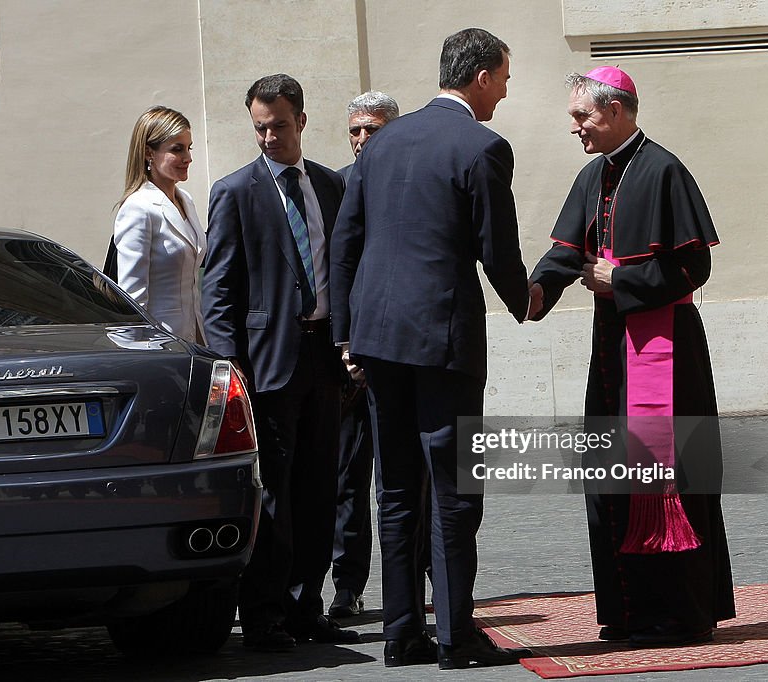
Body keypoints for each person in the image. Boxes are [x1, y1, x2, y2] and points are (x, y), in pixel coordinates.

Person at [331, 28, 539, 669]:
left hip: (377, 338)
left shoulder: (382, 140)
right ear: (480, 77)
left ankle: (400, 635)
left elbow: (345, 240)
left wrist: (346, 333)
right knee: (453, 490)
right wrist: (526, 298)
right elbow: (496, 244)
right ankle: (454, 638)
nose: (505, 90)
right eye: (504, 77)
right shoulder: (481, 145)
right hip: (442, 339)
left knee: (395, 487)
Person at [528, 66, 736, 647]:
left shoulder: (665, 169)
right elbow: (565, 251)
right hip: (611, 353)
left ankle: (683, 614)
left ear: (616, 110)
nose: (575, 127)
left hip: (668, 353)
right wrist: (539, 289)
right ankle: (625, 611)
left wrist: (624, 279)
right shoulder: (593, 176)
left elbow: (694, 267)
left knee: (676, 477)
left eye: (582, 116)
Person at [202, 74, 357, 652]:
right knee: (274, 496)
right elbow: (216, 290)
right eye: (260, 128)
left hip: (325, 358)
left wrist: (351, 344)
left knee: (321, 489)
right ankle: (265, 613)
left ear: (302, 121)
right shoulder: (235, 192)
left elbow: (345, 267)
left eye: (279, 126)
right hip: (267, 366)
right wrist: (230, 368)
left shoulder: (330, 185)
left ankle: (306, 606)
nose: (269, 137)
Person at [328, 90, 400, 620]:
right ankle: (347, 587)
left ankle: (420, 578)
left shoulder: (410, 180)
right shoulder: (335, 185)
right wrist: (345, 344)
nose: (360, 140)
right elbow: (338, 268)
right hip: (352, 359)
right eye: (354, 130)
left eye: (371, 129)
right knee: (349, 479)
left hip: (401, 353)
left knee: (405, 476)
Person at [112, 106, 206, 343]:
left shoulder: (186, 200)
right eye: (177, 149)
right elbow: (133, 298)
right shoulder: (138, 208)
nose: (188, 158)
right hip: (159, 343)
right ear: (148, 153)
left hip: (196, 337)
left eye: (189, 147)